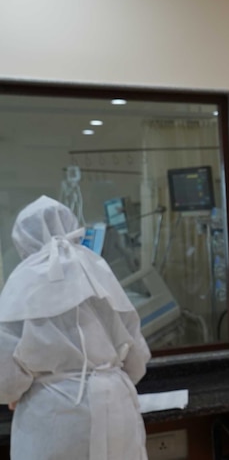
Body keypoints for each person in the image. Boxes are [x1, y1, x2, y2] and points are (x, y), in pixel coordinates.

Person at [0, 196, 151, 459]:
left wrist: (13, 393)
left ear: (23, 240)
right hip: (117, 408)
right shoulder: (98, 271)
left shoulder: (21, 285)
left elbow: (6, 380)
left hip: (56, 417)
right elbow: (137, 359)